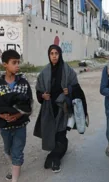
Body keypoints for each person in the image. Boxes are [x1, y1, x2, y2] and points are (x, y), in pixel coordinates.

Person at [0, 50, 33, 182]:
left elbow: (30, 106)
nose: (17, 66)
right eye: (14, 63)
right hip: (5, 127)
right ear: (5, 65)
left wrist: (18, 115)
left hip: (21, 125)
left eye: (18, 62)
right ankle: (13, 166)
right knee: (8, 149)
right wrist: (0, 115)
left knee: (17, 152)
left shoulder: (23, 83)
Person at [34, 45, 79, 173]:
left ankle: (55, 159)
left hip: (63, 108)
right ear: (49, 55)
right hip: (49, 108)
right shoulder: (44, 72)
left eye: (56, 53)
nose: (54, 56)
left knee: (60, 134)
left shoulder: (68, 70)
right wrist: (42, 96)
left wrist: (69, 90)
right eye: (52, 53)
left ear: (60, 55)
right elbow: (38, 90)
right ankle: (57, 151)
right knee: (52, 134)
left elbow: (76, 87)